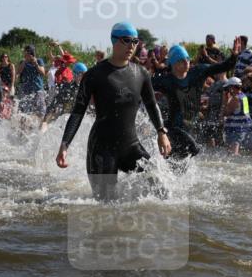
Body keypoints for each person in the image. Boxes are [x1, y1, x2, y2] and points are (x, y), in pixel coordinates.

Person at [56, 22, 170, 201]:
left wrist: (161, 131)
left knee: (160, 189)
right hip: (102, 149)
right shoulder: (94, 75)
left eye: (135, 41)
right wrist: (64, 145)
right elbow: (78, 112)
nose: (132, 46)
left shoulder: (141, 73)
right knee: (104, 207)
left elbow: (151, 104)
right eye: (126, 40)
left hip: (130, 146)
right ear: (114, 40)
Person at [151, 38, 241, 159]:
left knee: (180, 163)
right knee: (194, 148)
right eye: (182, 60)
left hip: (190, 128)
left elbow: (223, 67)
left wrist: (234, 56)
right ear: (173, 63)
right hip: (174, 129)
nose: (187, 62)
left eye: (188, 59)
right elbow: (143, 84)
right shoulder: (165, 81)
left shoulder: (198, 72)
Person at [222, 77, 252, 155]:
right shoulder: (243, 96)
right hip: (242, 128)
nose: (228, 90)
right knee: (233, 153)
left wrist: (225, 99)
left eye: (228, 88)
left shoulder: (236, 98)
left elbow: (226, 112)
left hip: (236, 129)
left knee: (232, 154)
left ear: (232, 87)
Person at [16, 44, 47, 117]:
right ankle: (23, 127)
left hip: (38, 89)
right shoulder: (22, 62)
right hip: (25, 90)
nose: (26, 54)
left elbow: (43, 72)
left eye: (28, 52)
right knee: (23, 112)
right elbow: (18, 72)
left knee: (40, 111)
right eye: (25, 52)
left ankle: (38, 126)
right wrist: (24, 62)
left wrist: (36, 64)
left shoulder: (39, 61)